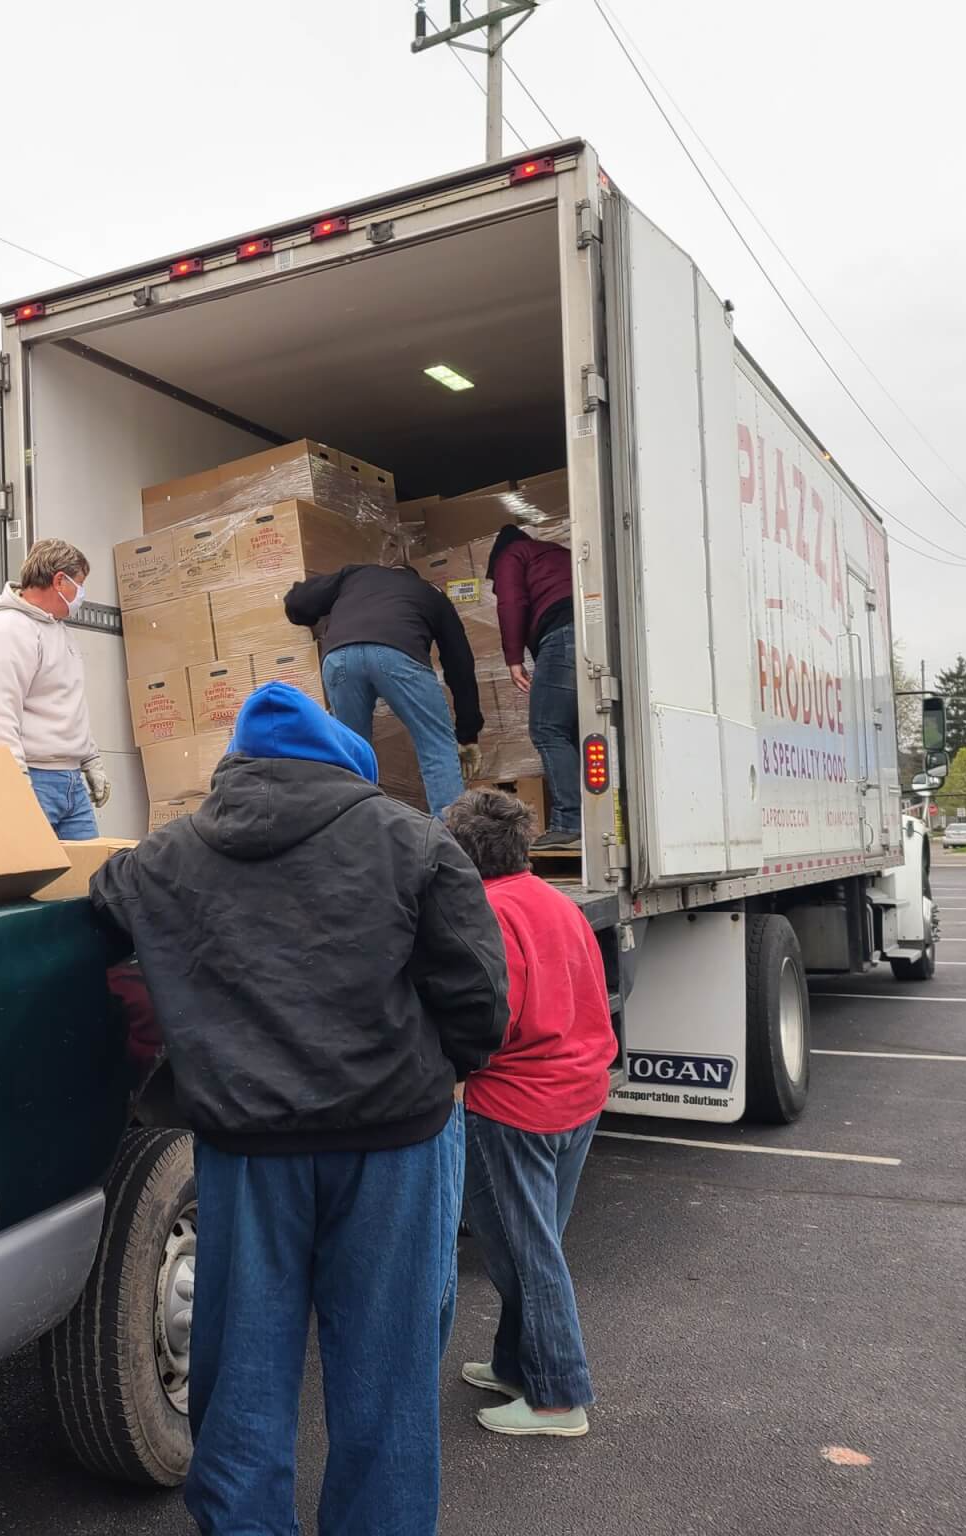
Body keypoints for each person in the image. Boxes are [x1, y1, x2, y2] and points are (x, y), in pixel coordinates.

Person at [91, 682, 507, 1535]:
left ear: (236, 770)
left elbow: (103, 900)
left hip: (247, 1151)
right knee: (384, 1380)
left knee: (241, 1375)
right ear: (340, 762)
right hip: (394, 1141)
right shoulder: (416, 842)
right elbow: (479, 1005)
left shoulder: (165, 858)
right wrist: (439, 1070)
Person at [442, 787, 616, 1439]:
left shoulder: (482, 913)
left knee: (523, 1249)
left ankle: (558, 1398)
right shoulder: (555, 902)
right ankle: (518, 1364)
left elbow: (488, 1020)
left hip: (516, 1104)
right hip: (579, 1095)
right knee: (535, 1239)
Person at [283, 561, 484, 816]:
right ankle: (453, 842)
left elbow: (298, 601)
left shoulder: (356, 574)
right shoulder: (431, 592)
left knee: (351, 752)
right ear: (414, 576)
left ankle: (353, 835)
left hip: (339, 656)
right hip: (398, 653)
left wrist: (312, 619)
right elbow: (460, 664)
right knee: (436, 746)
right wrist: (468, 734)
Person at [0, 538, 109, 837]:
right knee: (35, 881)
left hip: (71, 783)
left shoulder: (59, 631)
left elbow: (70, 704)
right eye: (79, 585)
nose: (81, 595)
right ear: (59, 580)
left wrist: (90, 760)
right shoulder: (9, 630)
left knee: (86, 879)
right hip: (34, 778)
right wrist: (16, 781)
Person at [488, 525, 580, 849]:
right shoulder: (558, 554)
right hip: (594, 631)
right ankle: (604, 820)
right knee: (582, 731)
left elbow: (511, 602)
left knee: (547, 729)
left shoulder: (513, 554)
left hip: (562, 633)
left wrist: (513, 658)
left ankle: (569, 823)